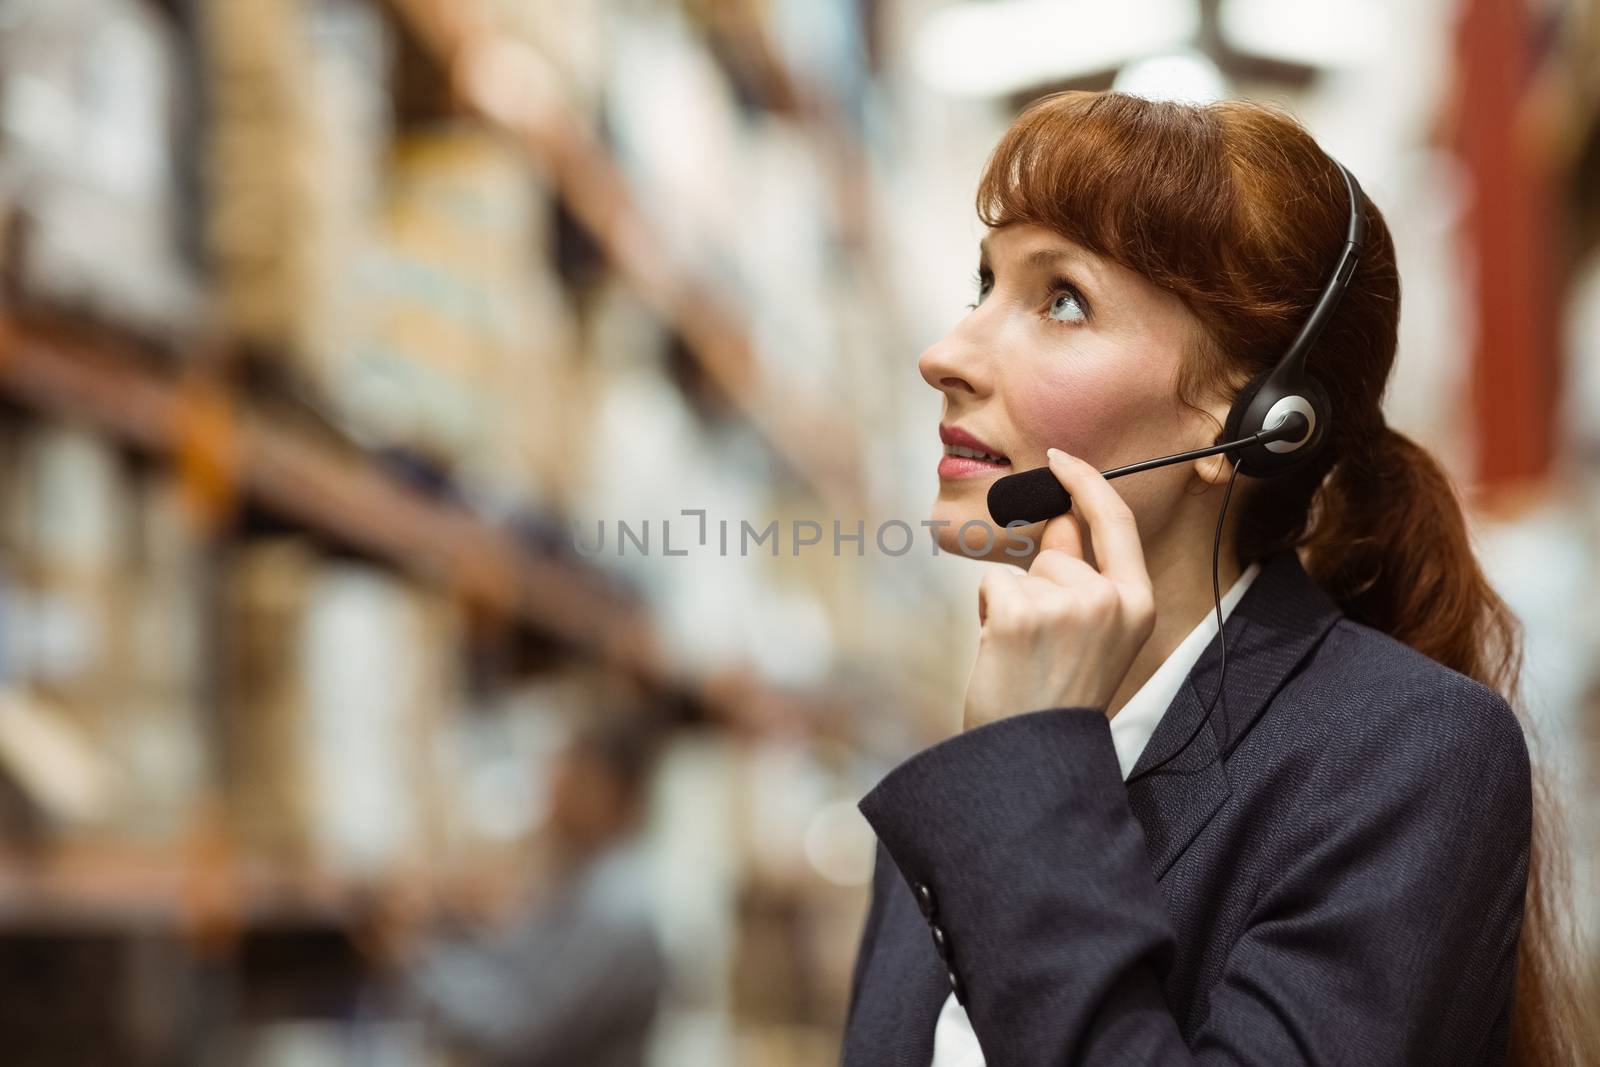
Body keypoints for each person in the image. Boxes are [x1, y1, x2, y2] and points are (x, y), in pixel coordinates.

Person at [841, 91, 1591, 1066]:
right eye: (981, 283)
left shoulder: (1409, 752)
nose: (944, 355)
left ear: (1250, 416)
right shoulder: (956, 797)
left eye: (1059, 298)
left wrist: (1031, 763)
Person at [372, 713, 669, 1067]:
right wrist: (440, 928)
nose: (551, 790)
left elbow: (520, 1031)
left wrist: (412, 959)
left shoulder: (616, 911)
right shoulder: (581, 882)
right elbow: (510, 968)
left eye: (568, 772)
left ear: (606, 791)